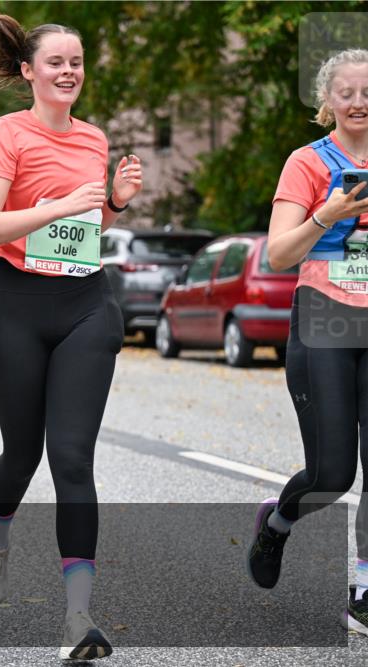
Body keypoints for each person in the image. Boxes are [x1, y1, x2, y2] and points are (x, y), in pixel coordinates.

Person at [0, 15, 144, 661]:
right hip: (15, 304)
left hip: (85, 302)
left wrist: (114, 202)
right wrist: (60, 206)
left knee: (71, 456)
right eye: (56, 62)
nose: (69, 71)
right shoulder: (6, 133)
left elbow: (87, 227)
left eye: (76, 61)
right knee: (22, 452)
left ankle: (78, 618)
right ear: (28, 71)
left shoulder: (93, 138)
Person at [245, 49, 368, 633]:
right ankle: (277, 523)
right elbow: (278, 253)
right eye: (347, 93)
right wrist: (328, 214)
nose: (359, 102)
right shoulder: (308, 162)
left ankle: (364, 587)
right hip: (325, 317)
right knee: (331, 475)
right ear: (328, 101)